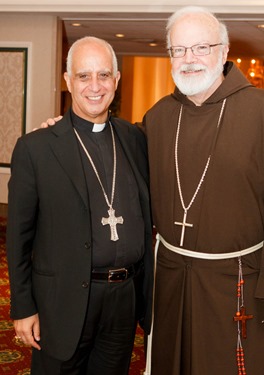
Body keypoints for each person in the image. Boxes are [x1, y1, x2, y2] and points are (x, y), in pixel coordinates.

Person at [6, 36, 153, 375]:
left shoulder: (134, 139)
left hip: (123, 300)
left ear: (116, 80)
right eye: (83, 76)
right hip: (63, 301)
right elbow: (18, 237)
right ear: (68, 81)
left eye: (104, 75)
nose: (95, 86)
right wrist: (23, 307)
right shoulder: (36, 148)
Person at [142, 5, 264, 375]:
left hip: (237, 283)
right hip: (171, 278)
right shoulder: (158, 116)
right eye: (178, 50)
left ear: (224, 52)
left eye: (201, 48)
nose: (188, 59)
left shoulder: (259, 111)